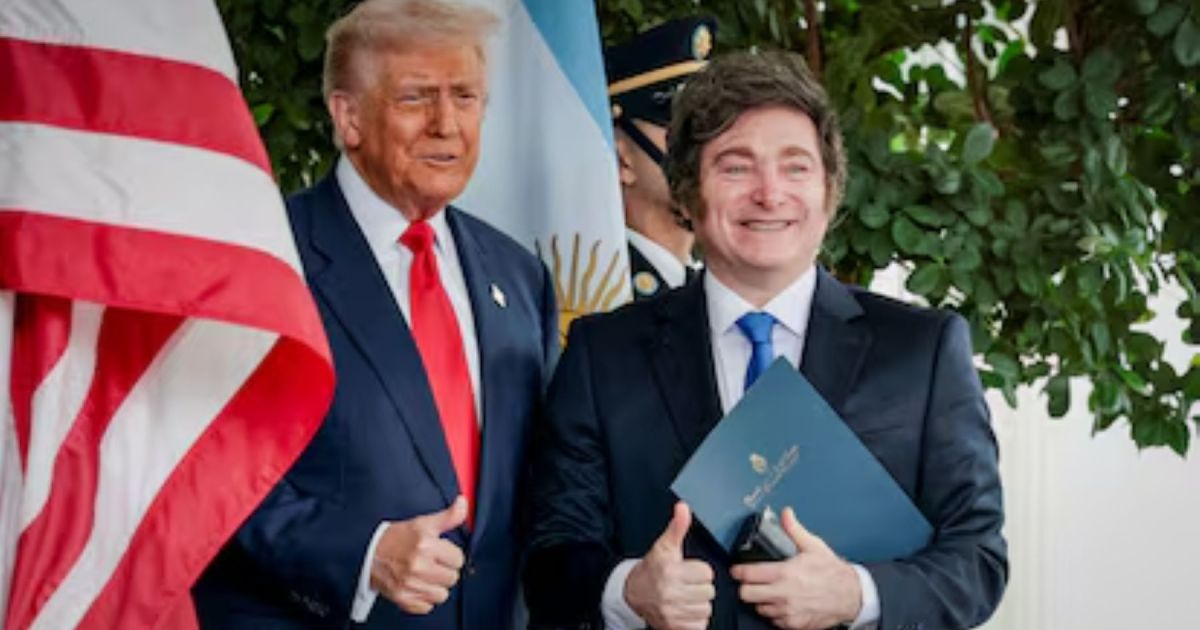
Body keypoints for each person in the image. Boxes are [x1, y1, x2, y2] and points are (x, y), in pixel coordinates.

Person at [524, 50, 1007, 630]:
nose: (770, 193)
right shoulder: (603, 355)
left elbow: (977, 560)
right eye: (736, 168)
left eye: (796, 168)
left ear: (829, 191)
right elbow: (550, 555)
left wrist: (857, 594)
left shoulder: (923, 351)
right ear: (688, 193)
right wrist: (629, 591)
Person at [192, 1, 557, 628]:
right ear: (348, 116)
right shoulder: (264, 258)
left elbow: (542, 484)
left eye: (465, 97)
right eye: (416, 98)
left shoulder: (520, 275)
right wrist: (361, 556)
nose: (447, 125)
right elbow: (202, 468)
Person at [605, 18, 714, 300]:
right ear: (621, 160)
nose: (708, 146)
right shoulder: (599, 294)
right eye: (682, 132)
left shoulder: (718, 289)